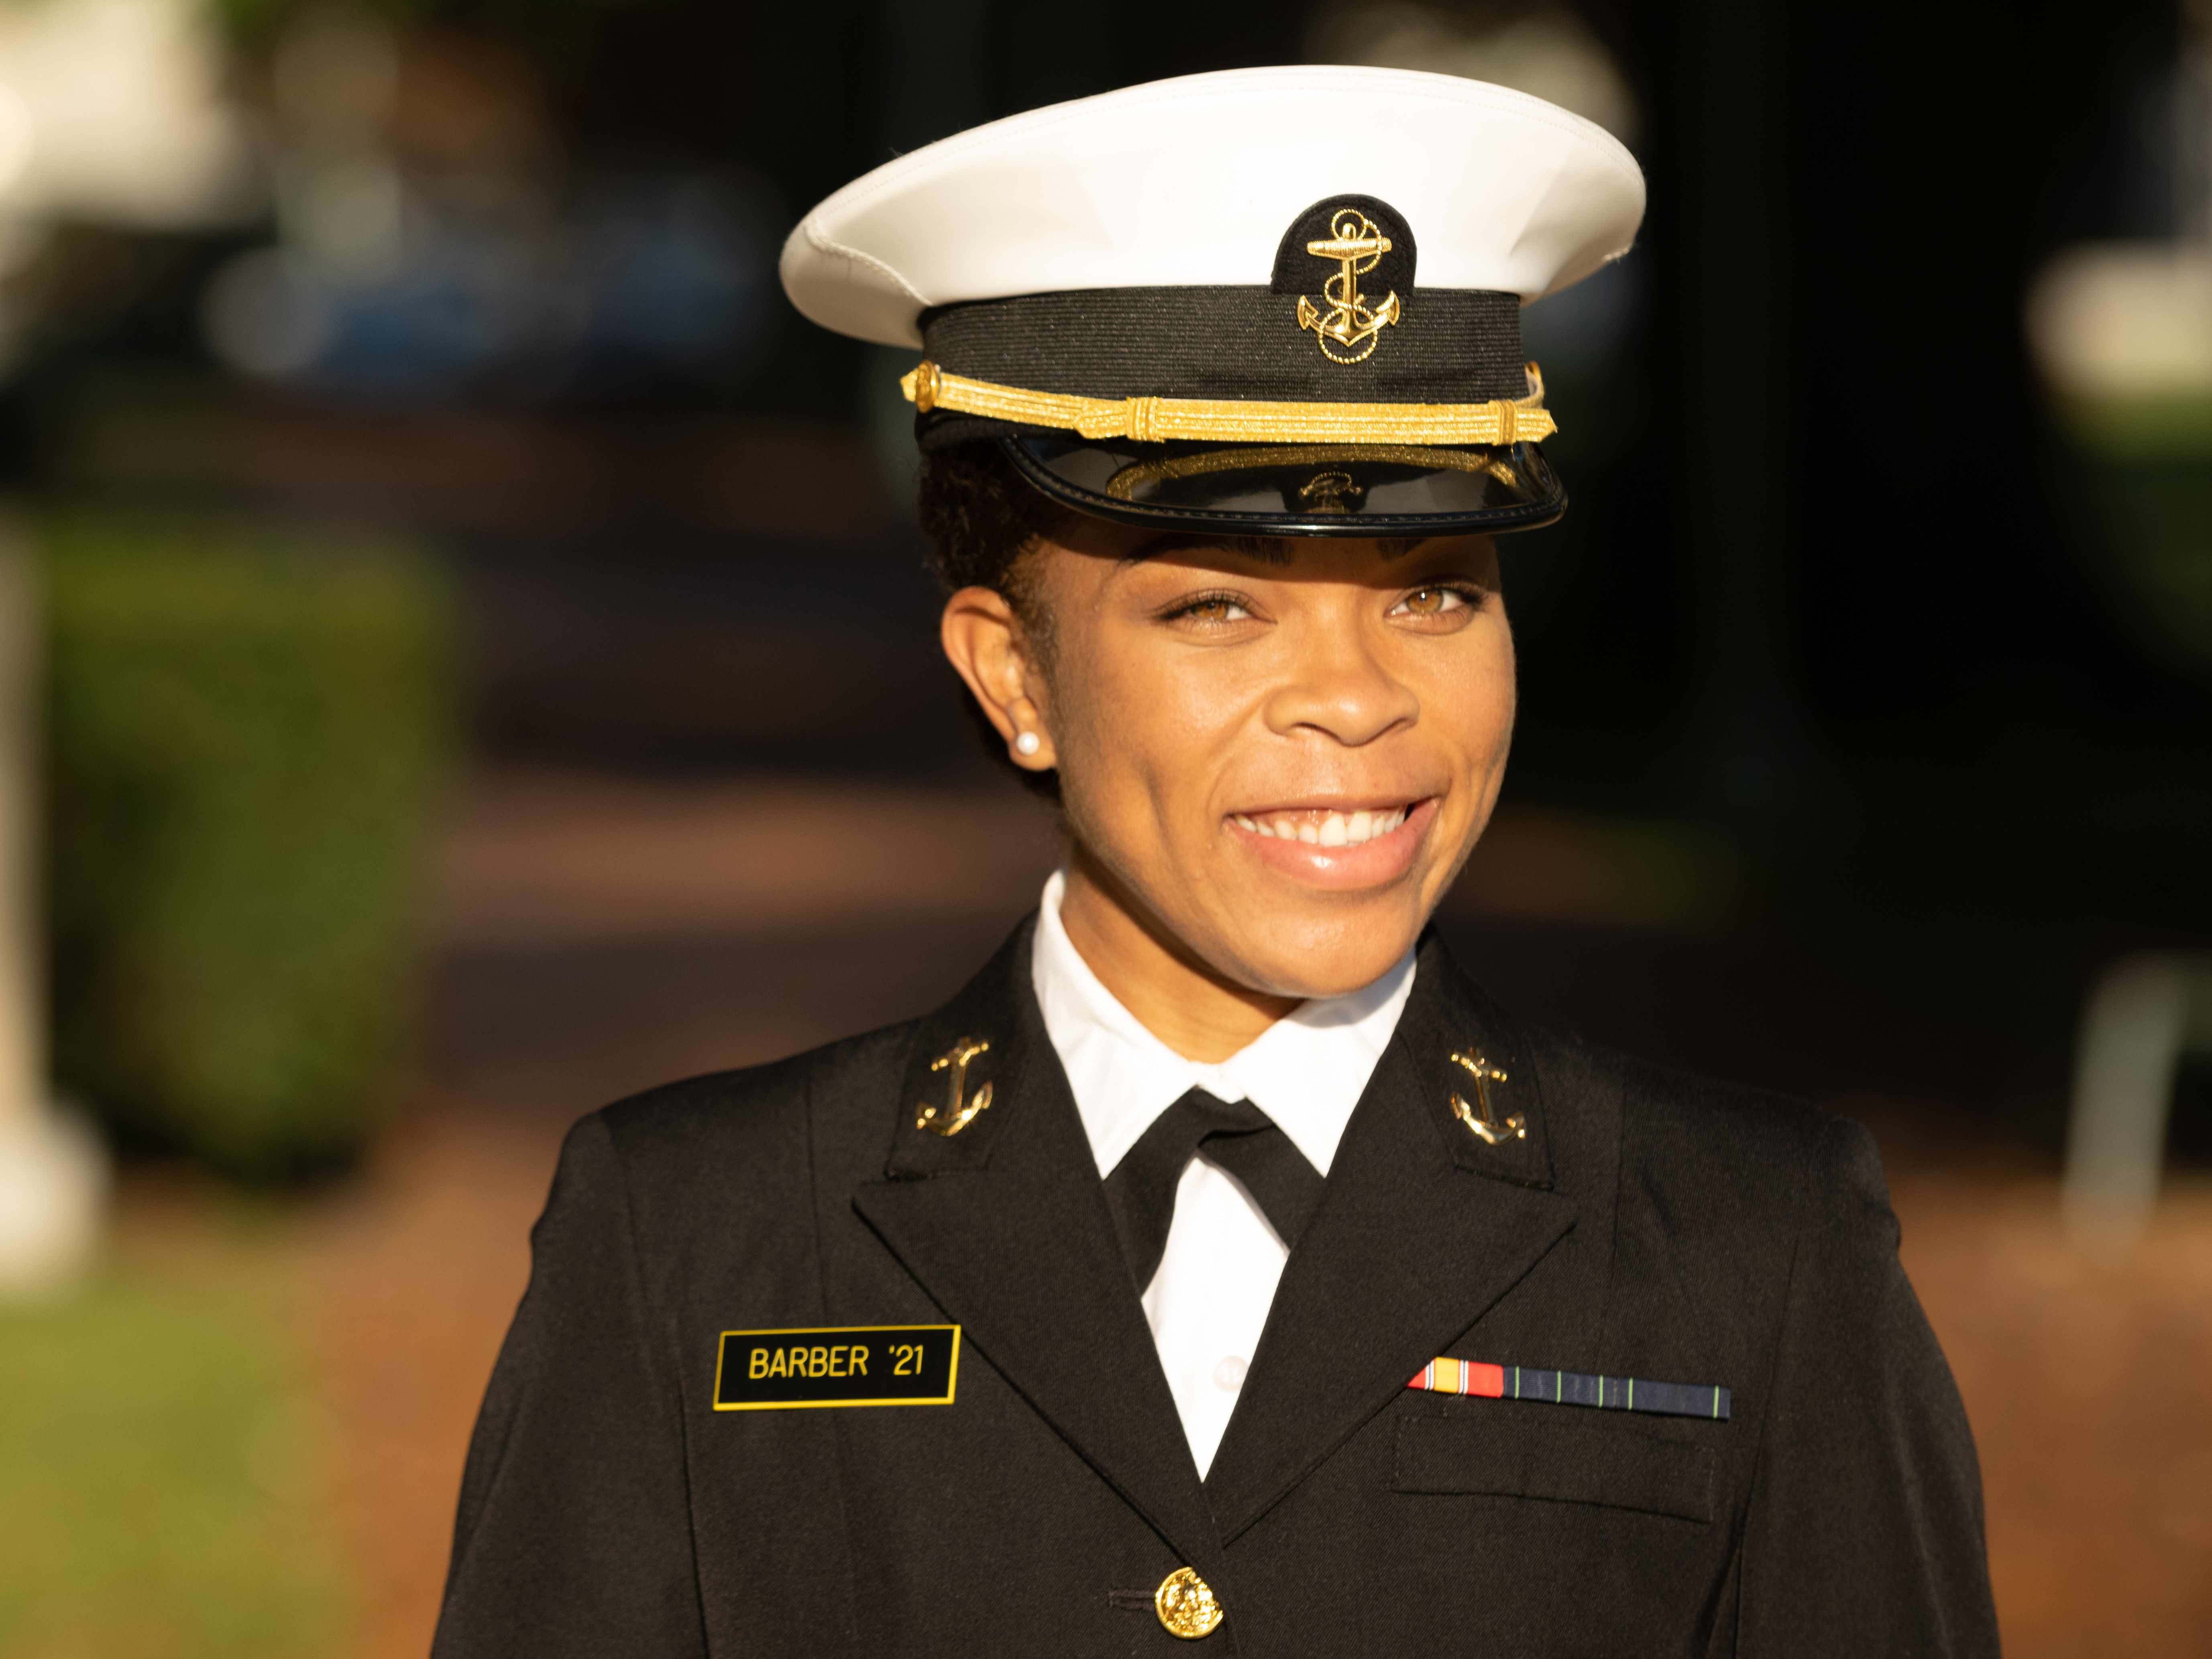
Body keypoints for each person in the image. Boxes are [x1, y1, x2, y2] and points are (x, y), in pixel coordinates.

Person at [431, 66, 2000, 1657]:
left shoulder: (1753, 1244)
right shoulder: (694, 1236)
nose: (1361, 692)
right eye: (1218, 604)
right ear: (1013, 674)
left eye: (1438, 587)